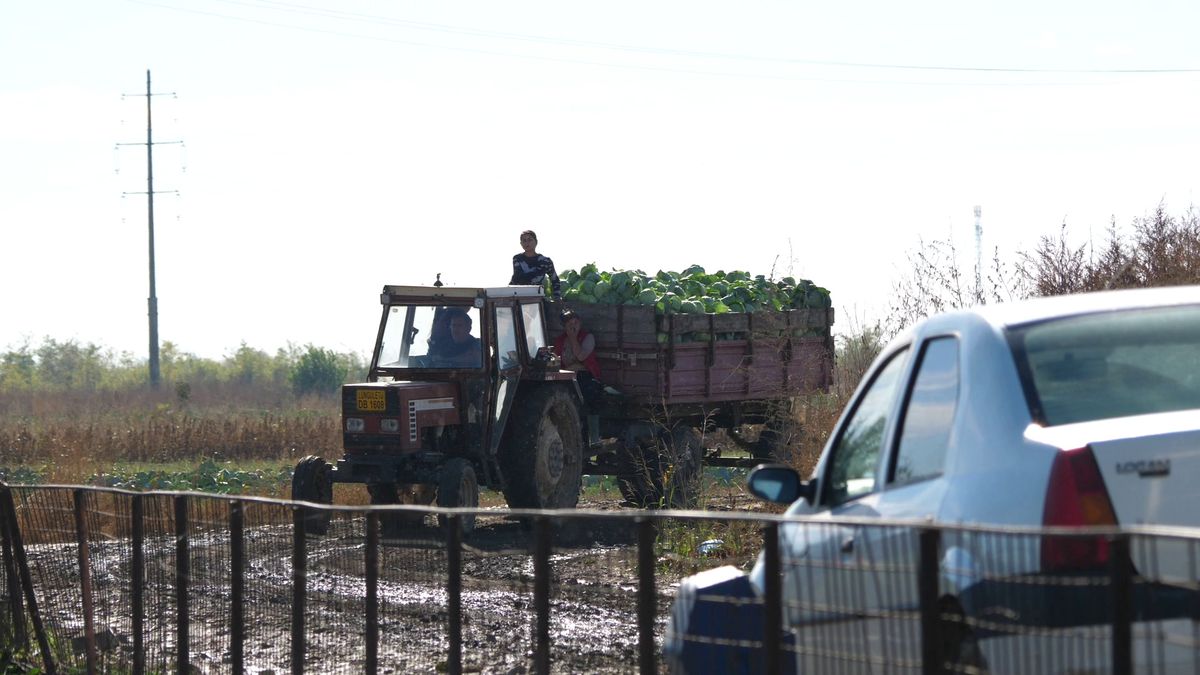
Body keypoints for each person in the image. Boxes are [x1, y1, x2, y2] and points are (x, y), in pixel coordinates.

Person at [554, 309, 604, 405]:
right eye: (569, 324)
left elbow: (581, 357)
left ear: (580, 323)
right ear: (564, 327)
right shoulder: (560, 341)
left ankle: (592, 418)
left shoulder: (588, 338)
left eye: (576, 323)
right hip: (566, 376)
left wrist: (573, 337)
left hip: (585, 376)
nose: (573, 326)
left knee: (591, 392)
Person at [510, 230, 562, 301]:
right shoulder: (517, 259)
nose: (527, 243)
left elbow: (555, 280)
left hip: (537, 296)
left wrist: (557, 297)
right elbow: (517, 278)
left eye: (530, 240)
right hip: (519, 295)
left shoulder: (545, 261)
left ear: (536, 242)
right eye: (524, 240)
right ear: (521, 243)